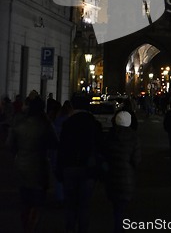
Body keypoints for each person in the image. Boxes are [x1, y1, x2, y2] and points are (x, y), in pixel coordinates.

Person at [6, 94, 59, 232]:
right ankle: (31, 225)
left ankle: (26, 225)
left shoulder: (19, 124)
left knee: (25, 201)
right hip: (39, 166)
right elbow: (55, 143)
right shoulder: (45, 125)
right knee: (37, 201)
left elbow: (10, 145)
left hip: (22, 165)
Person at [56, 94, 104, 233]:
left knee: (70, 204)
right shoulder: (94, 124)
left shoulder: (68, 123)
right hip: (88, 168)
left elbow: (62, 148)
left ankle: (70, 228)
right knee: (84, 205)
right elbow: (100, 147)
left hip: (69, 167)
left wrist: (59, 170)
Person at [103, 110, 141, 233]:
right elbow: (136, 160)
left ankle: (118, 226)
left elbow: (104, 155)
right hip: (126, 177)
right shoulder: (133, 137)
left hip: (111, 176)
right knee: (122, 207)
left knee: (116, 207)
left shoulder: (110, 135)